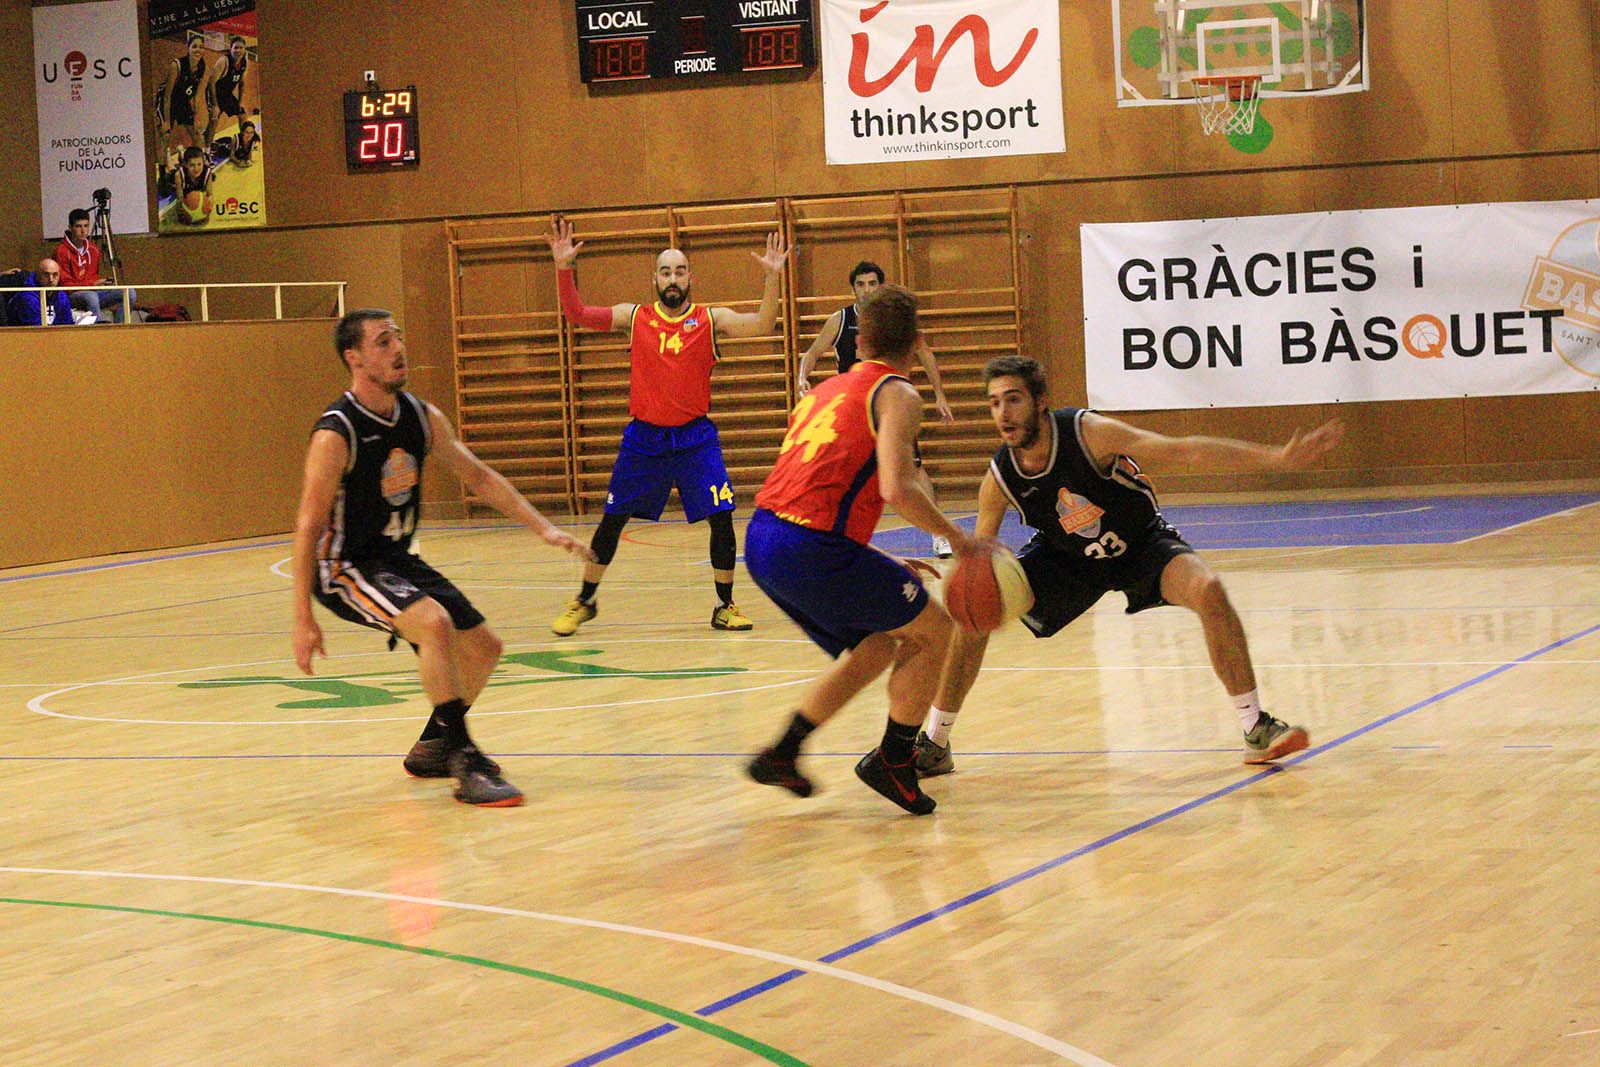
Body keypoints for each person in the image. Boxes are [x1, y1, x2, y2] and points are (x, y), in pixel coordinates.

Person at [913, 355, 1346, 777]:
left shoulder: (1089, 434)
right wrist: (968, 576)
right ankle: (934, 742)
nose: (1002, 413)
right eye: (994, 403)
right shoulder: (1000, 477)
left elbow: (1184, 451)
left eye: (1013, 399)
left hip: (1141, 544)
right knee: (971, 619)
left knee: (1208, 590)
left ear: (1040, 401)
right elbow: (982, 551)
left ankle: (1256, 728)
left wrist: (1275, 458)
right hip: (1067, 559)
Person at [291, 308, 593, 807]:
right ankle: (464, 758)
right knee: (433, 624)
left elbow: (480, 477)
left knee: (485, 647)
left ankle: (434, 746)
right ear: (355, 358)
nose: (398, 349)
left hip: (395, 557)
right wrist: (302, 618)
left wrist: (545, 527)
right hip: (344, 566)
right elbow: (307, 526)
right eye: (383, 342)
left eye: (398, 338)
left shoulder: (420, 416)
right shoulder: (336, 432)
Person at [744, 284, 976, 815]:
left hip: (762, 538)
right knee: (936, 631)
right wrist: (959, 539)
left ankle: (784, 752)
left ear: (861, 339)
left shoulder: (827, 389)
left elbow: (820, 482)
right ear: (917, 343)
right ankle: (893, 761)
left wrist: (872, 561)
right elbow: (897, 488)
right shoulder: (898, 395)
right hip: (811, 545)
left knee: (881, 641)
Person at [546, 215, 788, 636]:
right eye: (665, 271)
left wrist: (772, 280)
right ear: (654, 279)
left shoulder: (711, 319)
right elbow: (578, 313)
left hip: (695, 438)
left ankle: (725, 606)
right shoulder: (635, 317)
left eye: (679, 271)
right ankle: (584, 601)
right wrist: (564, 268)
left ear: (690, 277)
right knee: (612, 520)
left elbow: (763, 326)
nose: (672, 278)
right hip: (645, 438)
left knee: (722, 516)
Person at [798, 260, 956, 557]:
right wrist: (801, 377)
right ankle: (827, 536)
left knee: (914, 468)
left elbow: (925, 353)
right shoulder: (840, 319)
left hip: (886, 404)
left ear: (881, 287)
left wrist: (939, 394)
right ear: (853, 288)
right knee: (838, 474)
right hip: (850, 412)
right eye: (861, 284)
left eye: (872, 284)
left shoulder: (894, 323)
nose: (867, 289)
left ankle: (939, 535)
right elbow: (812, 352)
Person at [54, 209, 132, 323]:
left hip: (92, 291)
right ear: (70, 227)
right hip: (70, 296)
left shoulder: (93, 250)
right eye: (78, 226)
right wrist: (92, 284)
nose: (83, 231)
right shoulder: (61, 251)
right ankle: (98, 330)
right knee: (90, 296)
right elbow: (65, 285)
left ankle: (119, 328)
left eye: (86, 226)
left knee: (129, 293)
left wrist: (102, 283)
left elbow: (93, 276)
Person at [161, 35, 209, 157]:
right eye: (194, 46)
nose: (198, 50)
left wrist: (196, 117)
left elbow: (197, 95)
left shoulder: (202, 67)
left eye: (201, 47)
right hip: (168, 102)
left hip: (184, 102)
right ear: (188, 48)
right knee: (165, 135)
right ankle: (162, 172)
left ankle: (199, 162)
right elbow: (167, 96)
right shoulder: (177, 65)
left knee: (197, 133)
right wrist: (166, 121)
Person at [4, 259, 74, 327]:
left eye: (55, 275)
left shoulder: (62, 296)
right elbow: (37, 330)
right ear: (37, 275)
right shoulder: (26, 297)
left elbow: (68, 325)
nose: (51, 279)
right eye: (46, 275)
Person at [209, 36, 249, 134]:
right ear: (230, 49)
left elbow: (242, 84)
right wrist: (215, 105)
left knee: (242, 115)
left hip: (227, 94)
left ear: (244, 50)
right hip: (215, 93)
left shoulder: (245, 63)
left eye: (241, 48)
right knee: (214, 120)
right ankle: (207, 148)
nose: (238, 50)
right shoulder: (224, 61)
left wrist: (241, 102)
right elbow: (211, 83)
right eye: (235, 48)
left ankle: (242, 143)